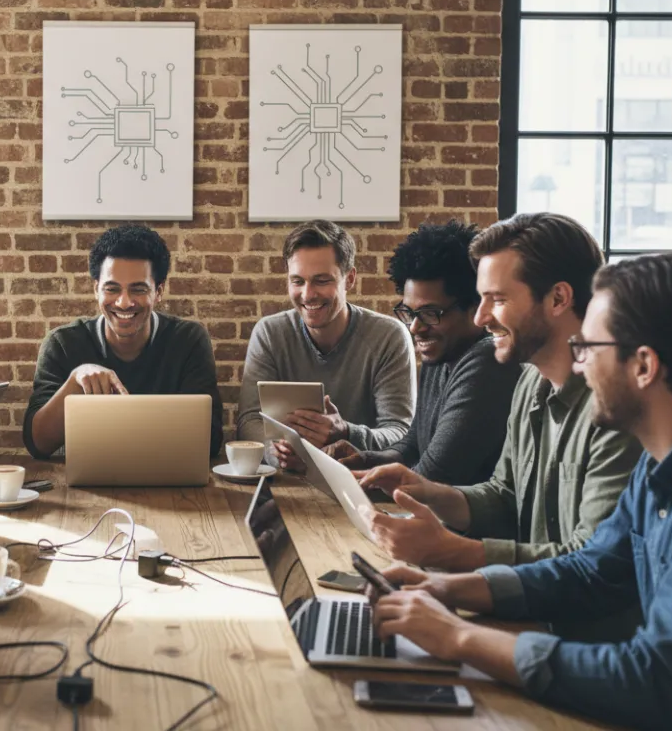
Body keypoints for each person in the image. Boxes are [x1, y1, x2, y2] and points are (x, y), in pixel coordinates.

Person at [371, 254, 672, 730]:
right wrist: (445, 588)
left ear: (643, 365)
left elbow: (654, 679)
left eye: (587, 347)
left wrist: (458, 636)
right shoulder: (660, 462)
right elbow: (593, 571)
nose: (578, 364)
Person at [354, 214, 642, 642]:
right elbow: (505, 495)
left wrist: (455, 553)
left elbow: (592, 562)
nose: (481, 318)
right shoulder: (529, 381)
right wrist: (429, 492)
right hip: (529, 620)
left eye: (497, 299)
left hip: (589, 648)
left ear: (558, 298)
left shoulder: (618, 407)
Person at [325, 220, 521, 486]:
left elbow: (433, 475)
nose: (416, 327)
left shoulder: (487, 362)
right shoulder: (441, 354)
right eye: (409, 312)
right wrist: (366, 459)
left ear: (474, 307)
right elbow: (413, 444)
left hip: (463, 527)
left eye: (430, 313)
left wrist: (358, 478)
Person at [24, 224, 223, 458]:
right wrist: (75, 381)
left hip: (167, 481)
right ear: (96, 289)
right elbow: (37, 444)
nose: (124, 302)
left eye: (138, 289)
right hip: (85, 483)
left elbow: (209, 441)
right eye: (112, 289)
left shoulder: (188, 340)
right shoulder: (63, 343)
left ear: (158, 292)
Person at [236, 220, 416, 469]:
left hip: (362, 482)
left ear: (349, 279)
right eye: (297, 281)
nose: (308, 294)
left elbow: (402, 433)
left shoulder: (388, 337)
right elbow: (249, 421)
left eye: (322, 281)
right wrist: (278, 452)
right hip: (285, 481)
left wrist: (346, 433)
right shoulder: (270, 333)